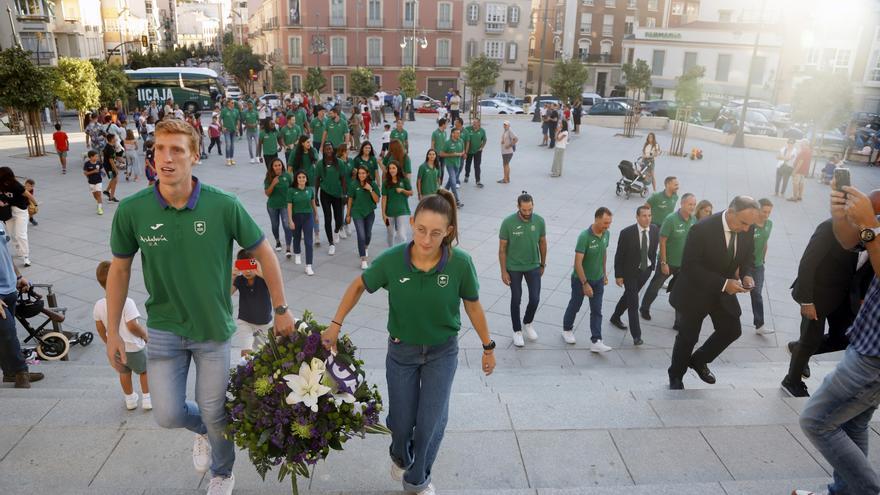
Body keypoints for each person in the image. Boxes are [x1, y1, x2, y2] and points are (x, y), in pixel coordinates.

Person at [105, 118, 296, 495]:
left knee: (214, 410)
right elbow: (120, 270)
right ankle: (206, 433)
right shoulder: (133, 211)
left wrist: (281, 308)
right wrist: (113, 330)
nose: (166, 157)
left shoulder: (223, 205)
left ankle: (223, 471)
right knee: (167, 414)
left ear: (194, 155)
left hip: (212, 329)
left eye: (176, 149)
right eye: (160, 148)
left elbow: (265, 253)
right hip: (163, 327)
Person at [320, 190, 495, 495]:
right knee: (401, 424)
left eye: (436, 233)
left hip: (443, 352)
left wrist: (487, 346)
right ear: (412, 223)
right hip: (402, 353)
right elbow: (359, 285)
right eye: (421, 230)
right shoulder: (392, 261)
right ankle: (400, 455)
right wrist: (335, 324)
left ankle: (417, 480)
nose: (427, 240)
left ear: (448, 232)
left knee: (430, 424)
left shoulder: (460, 264)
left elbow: (473, 305)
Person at [794, 183, 880, 495]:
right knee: (852, 422)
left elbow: (871, 240)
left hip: (874, 357)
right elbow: (849, 241)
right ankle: (845, 491)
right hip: (867, 339)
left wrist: (870, 226)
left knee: (816, 421)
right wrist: (841, 216)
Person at [667, 196, 760, 390]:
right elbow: (690, 267)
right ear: (731, 212)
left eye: (749, 225)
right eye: (743, 223)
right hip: (696, 290)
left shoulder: (747, 227)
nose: (746, 229)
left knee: (732, 329)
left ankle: (699, 360)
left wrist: (747, 275)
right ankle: (676, 376)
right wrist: (725, 283)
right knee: (688, 337)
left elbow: (748, 258)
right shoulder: (702, 229)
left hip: (722, 292)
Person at [782, 218, 873, 398]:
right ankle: (791, 381)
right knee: (810, 338)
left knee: (843, 338)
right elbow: (808, 262)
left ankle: (799, 350)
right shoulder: (832, 227)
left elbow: (868, 270)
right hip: (818, 294)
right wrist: (807, 300)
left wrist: (862, 297)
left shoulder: (874, 237)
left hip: (846, 298)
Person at [94, 260, 150, 410]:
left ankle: (130, 399)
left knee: (124, 372)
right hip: (133, 346)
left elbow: (99, 327)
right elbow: (132, 325)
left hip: (117, 349)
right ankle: (147, 398)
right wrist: (144, 335)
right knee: (144, 371)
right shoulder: (128, 302)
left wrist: (108, 342)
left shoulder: (99, 305)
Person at [639, 193, 696, 324]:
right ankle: (644, 308)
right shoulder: (671, 219)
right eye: (689, 204)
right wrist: (664, 262)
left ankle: (678, 321)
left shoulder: (693, 220)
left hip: (683, 265)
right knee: (655, 287)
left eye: (694, 204)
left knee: (681, 292)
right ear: (682, 204)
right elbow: (662, 241)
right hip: (668, 263)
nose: (692, 207)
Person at [562, 207, 613, 350]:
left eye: (609, 223)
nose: (607, 226)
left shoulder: (606, 234)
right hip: (581, 280)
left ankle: (596, 341)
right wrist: (585, 284)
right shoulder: (584, 236)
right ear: (596, 219)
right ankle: (567, 329)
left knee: (597, 310)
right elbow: (577, 262)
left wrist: (604, 273)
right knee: (575, 305)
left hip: (598, 279)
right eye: (605, 223)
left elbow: (603, 253)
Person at [499, 192, 547, 347]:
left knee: (535, 298)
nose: (527, 213)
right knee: (516, 298)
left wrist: (542, 263)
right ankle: (517, 330)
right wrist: (503, 271)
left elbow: (543, 243)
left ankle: (527, 322)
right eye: (524, 210)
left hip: (533, 265)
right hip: (514, 267)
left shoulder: (539, 221)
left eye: (530, 209)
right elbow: (502, 249)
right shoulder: (508, 223)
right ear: (518, 207)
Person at [609, 205, 659, 345]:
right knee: (633, 301)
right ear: (637, 217)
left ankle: (615, 317)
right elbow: (619, 255)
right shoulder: (626, 233)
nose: (647, 219)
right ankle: (637, 335)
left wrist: (651, 267)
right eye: (644, 216)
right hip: (630, 272)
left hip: (645, 271)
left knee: (628, 296)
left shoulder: (654, 230)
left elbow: (653, 249)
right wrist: (618, 275)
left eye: (649, 215)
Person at [0, 218, 38, 388]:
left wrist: (18, 276)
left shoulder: (0, 222)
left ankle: (10, 373)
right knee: (7, 332)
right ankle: (21, 373)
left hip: (9, 289)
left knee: (7, 334)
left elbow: (5, 253)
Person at [230, 250, 272, 358]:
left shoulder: (263, 279)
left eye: (251, 265)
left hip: (264, 323)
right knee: (246, 353)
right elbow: (227, 294)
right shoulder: (240, 279)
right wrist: (232, 276)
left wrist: (261, 272)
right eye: (243, 266)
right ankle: (244, 371)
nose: (247, 271)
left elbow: (274, 287)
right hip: (245, 321)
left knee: (265, 353)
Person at [316, 143, 348, 256]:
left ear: (333, 150)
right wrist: (315, 196)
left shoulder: (339, 163)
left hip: (337, 194)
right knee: (327, 217)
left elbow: (343, 179)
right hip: (325, 193)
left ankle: (336, 231)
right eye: (326, 148)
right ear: (323, 151)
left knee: (339, 219)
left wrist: (344, 194)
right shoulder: (320, 164)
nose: (328, 150)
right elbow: (317, 180)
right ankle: (331, 244)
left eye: (330, 148)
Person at [290, 136, 322, 247]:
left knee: (313, 208)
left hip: (311, 183)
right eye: (307, 142)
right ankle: (302, 230)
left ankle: (317, 234)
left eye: (310, 142)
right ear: (302, 143)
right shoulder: (295, 153)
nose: (309, 144)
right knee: (300, 208)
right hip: (298, 184)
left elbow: (318, 164)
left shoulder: (313, 151)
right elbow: (289, 169)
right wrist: (291, 183)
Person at [347, 165, 380, 270]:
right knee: (361, 235)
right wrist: (348, 215)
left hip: (369, 212)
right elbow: (350, 200)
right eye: (360, 173)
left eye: (363, 173)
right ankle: (363, 259)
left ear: (367, 174)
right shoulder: (353, 184)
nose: (361, 175)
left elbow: (377, 200)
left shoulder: (372, 184)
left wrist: (370, 189)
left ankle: (365, 246)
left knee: (368, 234)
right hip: (357, 213)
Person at [750, 198, 774, 335]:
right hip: (744, 264)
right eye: (764, 211)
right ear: (758, 209)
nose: (766, 215)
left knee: (757, 293)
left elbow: (765, 242)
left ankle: (759, 325)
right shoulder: (750, 225)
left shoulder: (769, 224)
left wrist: (763, 259)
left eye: (769, 212)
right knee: (727, 289)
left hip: (758, 265)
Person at [287, 169, 318, 275]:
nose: (301, 179)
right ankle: (297, 253)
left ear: (306, 179)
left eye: (303, 177)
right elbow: (289, 206)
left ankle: (308, 265)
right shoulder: (291, 191)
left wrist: (316, 215)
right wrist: (290, 220)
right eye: (299, 177)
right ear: (296, 179)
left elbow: (313, 203)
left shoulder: (309, 190)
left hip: (308, 217)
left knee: (309, 241)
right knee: (296, 237)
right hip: (296, 217)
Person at [264, 158, 293, 257]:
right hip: (272, 206)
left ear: (282, 166)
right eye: (275, 166)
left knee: (286, 225)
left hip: (285, 205)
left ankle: (288, 248)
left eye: (279, 165)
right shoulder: (269, 177)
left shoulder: (287, 176)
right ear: (272, 167)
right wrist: (273, 183)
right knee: (275, 225)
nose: (278, 167)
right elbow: (267, 193)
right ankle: (277, 241)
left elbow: (292, 188)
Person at [382, 160, 413, 247]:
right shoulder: (385, 183)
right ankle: (390, 251)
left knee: (401, 235)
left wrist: (402, 190)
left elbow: (411, 193)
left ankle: (402, 252)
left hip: (402, 211)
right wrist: (383, 214)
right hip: (389, 213)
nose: (391, 170)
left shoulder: (404, 180)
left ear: (398, 169)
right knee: (390, 233)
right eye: (390, 168)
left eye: (394, 168)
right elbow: (384, 199)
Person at [441, 127, 465, 208]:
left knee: (450, 181)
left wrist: (462, 154)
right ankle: (457, 201)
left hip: (457, 165)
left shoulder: (461, 141)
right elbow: (442, 154)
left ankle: (441, 195)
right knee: (454, 183)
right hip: (449, 164)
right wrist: (452, 154)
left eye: (459, 133)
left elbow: (462, 151)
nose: (459, 134)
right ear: (452, 134)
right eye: (457, 133)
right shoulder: (447, 143)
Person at [462, 119, 487, 187]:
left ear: (479, 123)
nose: (474, 124)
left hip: (477, 152)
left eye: (475, 122)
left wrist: (481, 147)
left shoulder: (482, 131)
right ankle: (467, 176)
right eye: (473, 122)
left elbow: (484, 140)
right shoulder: (467, 129)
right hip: (469, 151)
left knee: (477, 166)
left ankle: (478, 181)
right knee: (468, 164)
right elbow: (463, 136)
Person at [83, 150, 105, 215]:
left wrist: (103, 173)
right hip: (91, 182)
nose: (97, 157)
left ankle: (100, 208)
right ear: (91, 157)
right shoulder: (87, 164)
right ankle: (99, 203)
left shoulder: (98, 163)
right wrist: (93, 171)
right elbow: (85, 173)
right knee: (95, 196)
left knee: (99, 194)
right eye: (96, 156)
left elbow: (101, 169)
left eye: (97, 156)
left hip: (98, 181)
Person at [220, 99, 240, 166]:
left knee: (232, 145)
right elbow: (220, 119)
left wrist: (237, 127)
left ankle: (232, 158)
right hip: (227, 130)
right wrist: (222, 127)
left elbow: (237, 120)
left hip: (233, 130)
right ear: (228, 103)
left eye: (233, 103)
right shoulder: (224, 110)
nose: (233, 104)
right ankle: (228, 159)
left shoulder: (236, 111)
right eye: (232, 103)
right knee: (228, 144)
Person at [102, 133, 121, 204]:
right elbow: (111, 160)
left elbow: (110, 157)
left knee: (113, 179)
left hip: (107, 166)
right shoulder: (110, 148)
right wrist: (115, 169)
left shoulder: (108, 146)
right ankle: (111, 197)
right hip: (110, 167)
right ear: (112, 139)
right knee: (115, 180)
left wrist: (118, 158)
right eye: (115, 138)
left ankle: (107, 191)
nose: (116, 139)